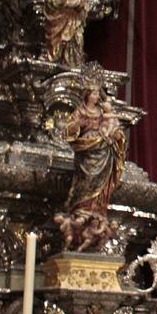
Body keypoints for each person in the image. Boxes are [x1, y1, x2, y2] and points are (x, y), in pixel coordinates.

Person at [58, 86, 127, 251]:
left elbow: (115, 128)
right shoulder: (80, 111)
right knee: (86, 181)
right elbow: (69, 130)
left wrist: (116, 136)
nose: (97, 96)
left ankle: (97, 210)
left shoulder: (102, 112)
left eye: (98, 93)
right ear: (88, 95)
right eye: (94, 93)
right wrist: (77, 125)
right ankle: (82, 211)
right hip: (87, 151)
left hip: (103, 151)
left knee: (101, 183)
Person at [45, 0, 88, 66]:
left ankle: (72, 62)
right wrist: (66, 2)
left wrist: (80, 3)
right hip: (59, 20)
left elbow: (80, 0)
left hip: (72, 21)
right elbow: (51, 1)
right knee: (62, 41)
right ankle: (59, 58)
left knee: (75, 40)